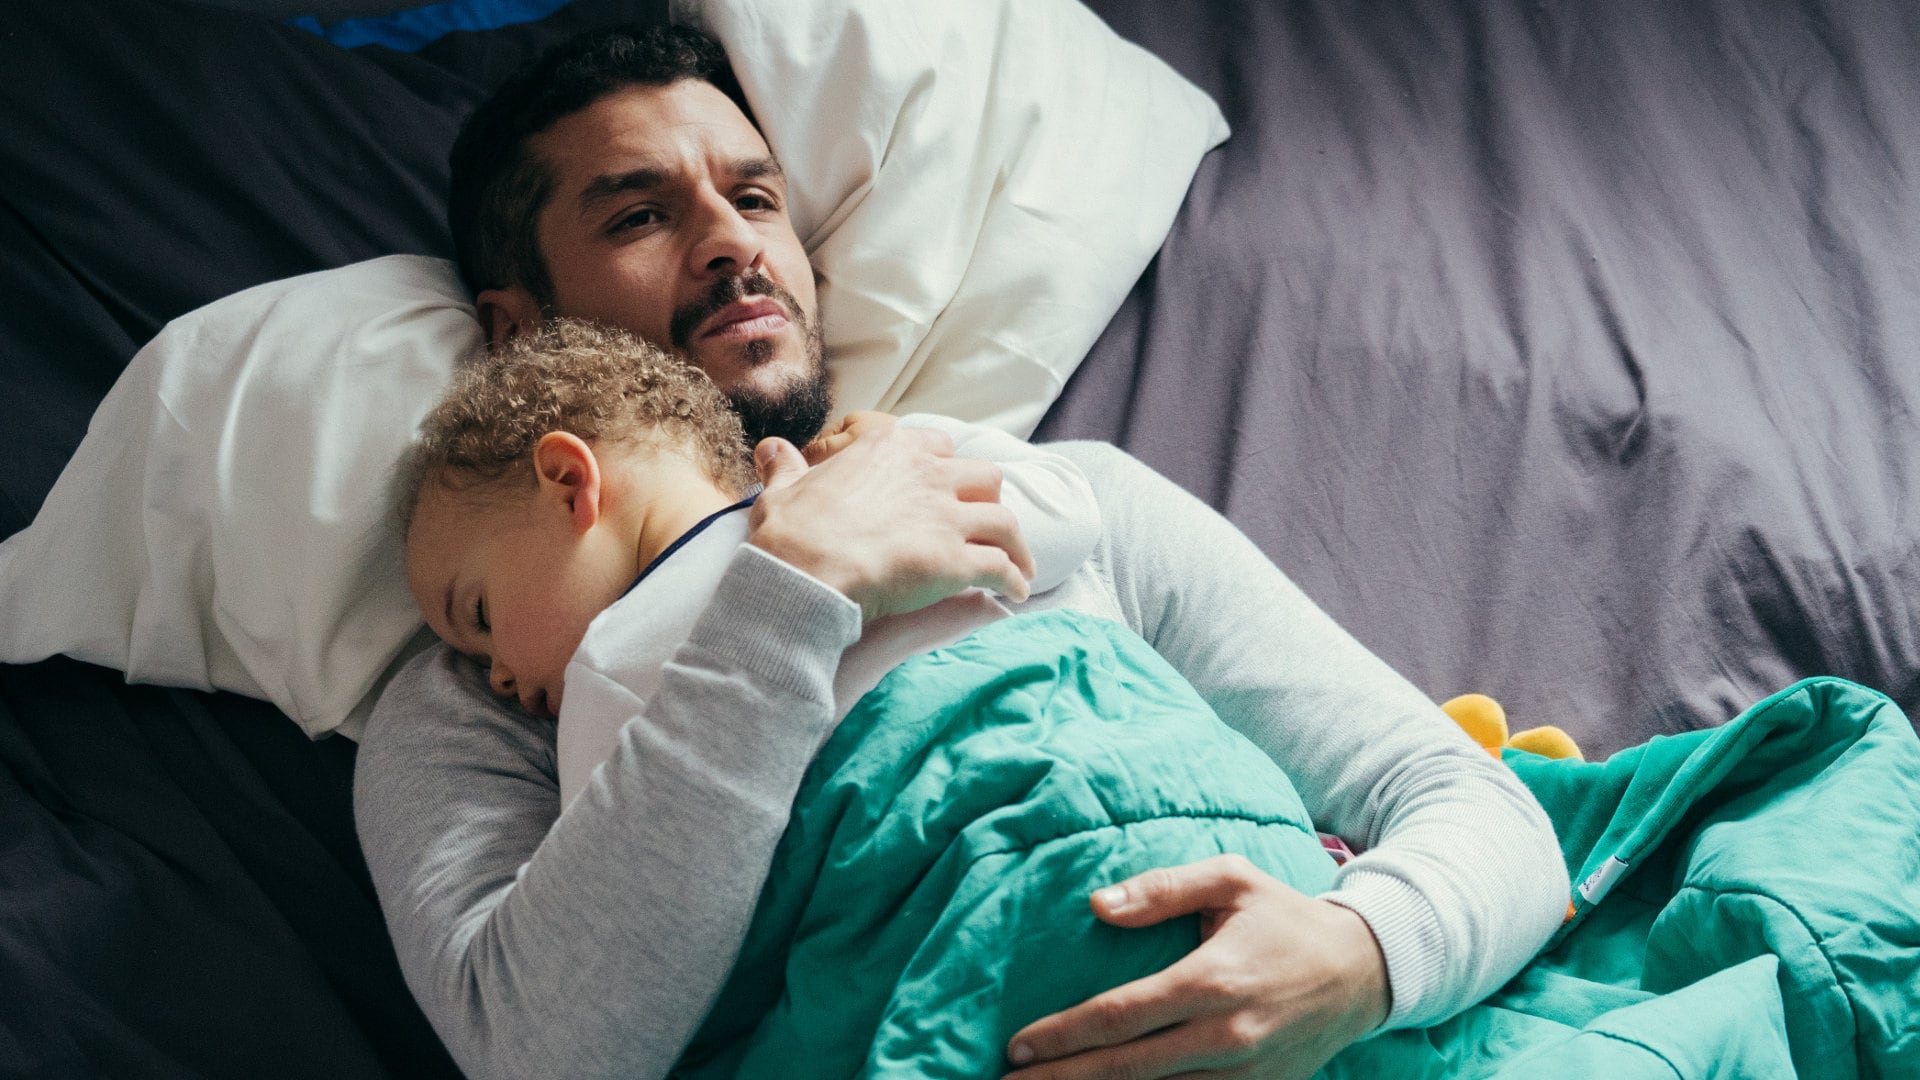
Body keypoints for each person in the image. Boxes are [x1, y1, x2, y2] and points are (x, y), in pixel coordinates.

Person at [353, 23, 1570, 1080]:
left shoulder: (1033, 500)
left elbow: (1471, 806)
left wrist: (1362, 956)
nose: (733, 243)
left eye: (758, 197)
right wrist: (790, 594)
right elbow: (541, 1053)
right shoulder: (486, 683)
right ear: (516, 334)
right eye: (639, 213)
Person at [397, 319, 1362, 1078]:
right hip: (1181, 858)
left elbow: (671, 920)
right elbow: (631, 950)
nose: (498, 681)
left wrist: (908, 487)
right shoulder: (917, 470)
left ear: (571, 483)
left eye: (477, 614)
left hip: (1089, 808)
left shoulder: (614, 661)